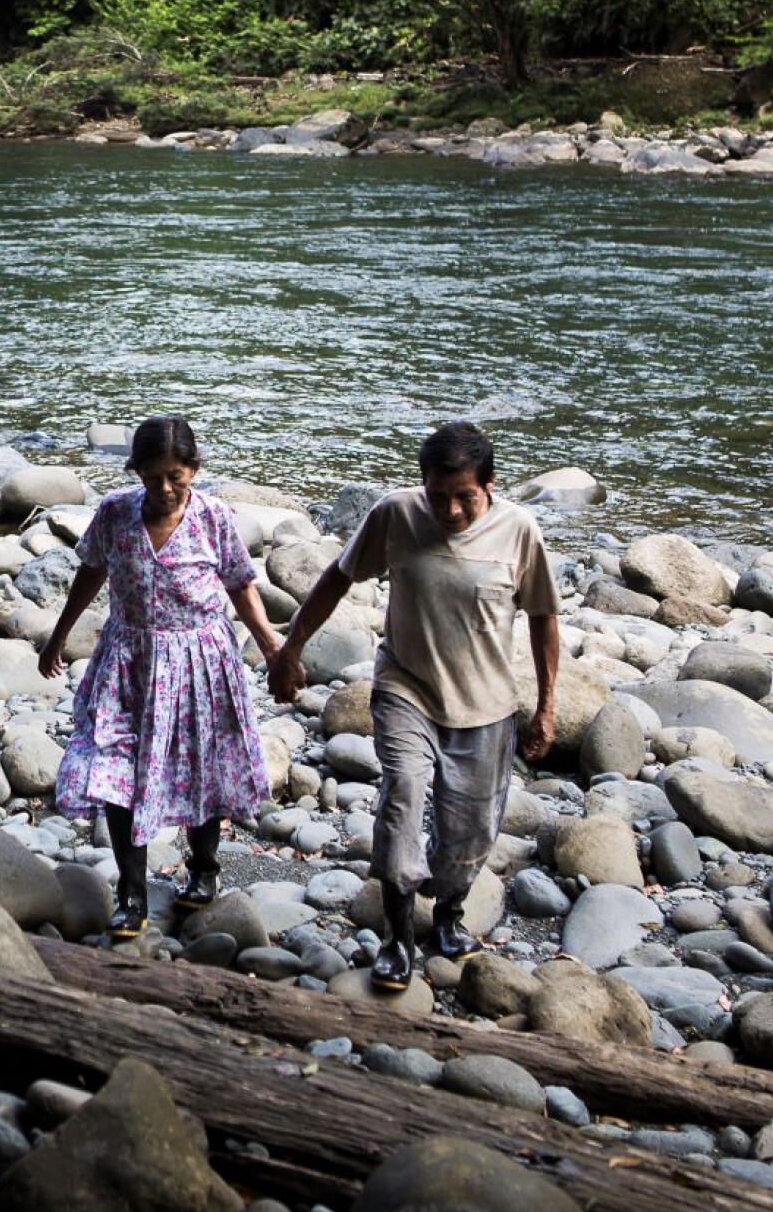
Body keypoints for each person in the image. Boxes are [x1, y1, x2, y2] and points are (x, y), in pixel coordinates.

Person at [269, 420, 560, 991]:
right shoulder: (396, 515)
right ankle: (397, 939)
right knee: (402, 797)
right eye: (438, 495)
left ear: (491, 485)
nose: (450, 511)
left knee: (471, 831)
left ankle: (449, 909)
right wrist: (292, 646)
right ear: (422, 483)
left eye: (465, 497)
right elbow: (337, 577)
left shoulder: (519, 530)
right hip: (406, 689)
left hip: (486, 704)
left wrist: (547, 707)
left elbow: (543, 619)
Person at [39, 417, 282, 940]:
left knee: (201, 767)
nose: (166, 489)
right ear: (137, 474)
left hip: (199, 662)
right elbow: (91, 572)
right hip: (128, 660)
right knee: (112, 770)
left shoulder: (214, 516)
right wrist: (58, 636)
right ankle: (132, 894)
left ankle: (203, 869)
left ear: (195, 468)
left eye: (176, 476)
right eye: (153, 478)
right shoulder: (115, 513)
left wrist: (271, 646)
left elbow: (240, 584)